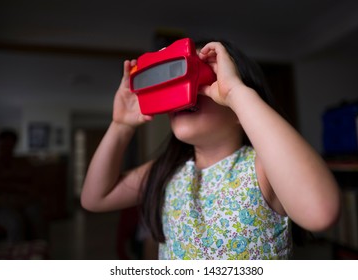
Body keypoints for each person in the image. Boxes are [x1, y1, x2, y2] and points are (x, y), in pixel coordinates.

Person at [80, 39, 340, 259]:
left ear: (242, 109)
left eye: (206, 77)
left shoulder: (262, 169)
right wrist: (121, 125)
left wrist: (236, 92)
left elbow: (320, 212)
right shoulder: (168, 172)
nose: (189, 90)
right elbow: (95, 198)